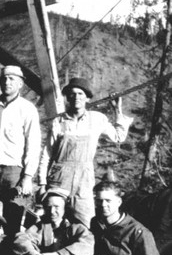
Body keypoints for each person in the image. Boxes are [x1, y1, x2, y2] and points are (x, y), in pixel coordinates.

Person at [38, 78, 133, 227]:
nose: (76, 98)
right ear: (67, 97)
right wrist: (42, 183)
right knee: (53, 220)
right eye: (72, 94)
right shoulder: (59, 122)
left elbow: (118, 137)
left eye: (81, 94)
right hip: (59, 177)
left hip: (84, 179)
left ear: (87, 98)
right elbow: (47, 155)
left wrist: (117, 110)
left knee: (86, 221)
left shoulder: (97, 119)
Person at [0, 65, 41, 234]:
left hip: (13, 172)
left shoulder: (27, 109)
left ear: (20, 84)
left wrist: (28, 177)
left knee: (12, 219)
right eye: (4, 79)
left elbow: (34, 144)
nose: (7, 82)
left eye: (12, 79)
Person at [85, 179, 164, 255]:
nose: (103, 205)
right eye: (99, 200)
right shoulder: (95, 223)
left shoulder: (137, 232)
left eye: (108, 200)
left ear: (119, 202)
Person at [14, 188, 94, 255]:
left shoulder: (76, 227)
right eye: (48, 207)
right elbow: (22, 240)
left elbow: (87, 246)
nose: (52, 211)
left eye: (57, 207)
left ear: (65, 208)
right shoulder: (40, 227)